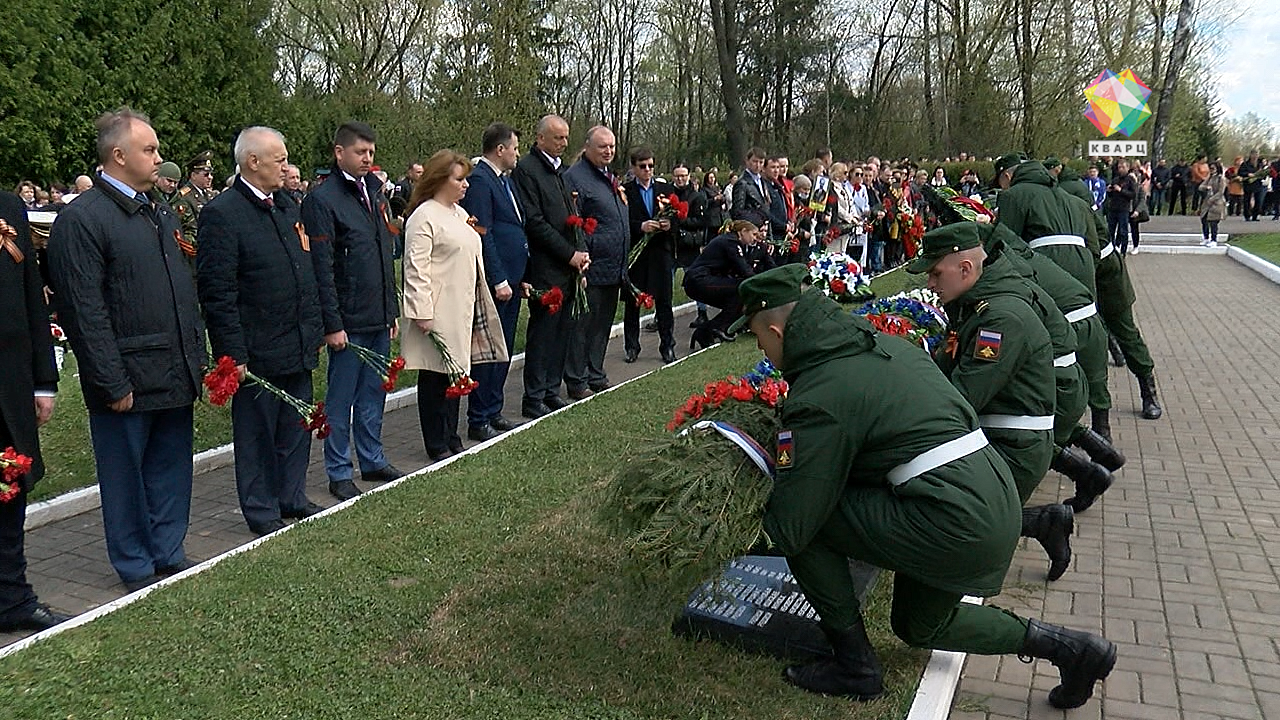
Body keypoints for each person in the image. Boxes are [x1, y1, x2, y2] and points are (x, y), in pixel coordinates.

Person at [735, 263, 1115, 709]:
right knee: (920, 626)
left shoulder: (821, 393)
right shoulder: (884, 347)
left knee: (811, 527)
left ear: (778, 331)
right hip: (990, 497)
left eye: (759, 338)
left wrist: (746, 532)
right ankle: (1073, 650)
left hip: (953, 518)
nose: (761, 348)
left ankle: (854, 665)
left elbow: (794, 522)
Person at [48, 108, 205, 592]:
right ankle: (136, 564)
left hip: (172, 370)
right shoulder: (84, 219)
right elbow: (84, 310)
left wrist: (193, 358)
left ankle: (168, 551)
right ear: (118, 155)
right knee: (126, 478)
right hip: (128, 379)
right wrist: (110, 381)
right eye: (149, 149)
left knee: (169, 469)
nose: (159, 158)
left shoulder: (155, 211)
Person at [909, 224, 1073, 580]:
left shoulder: (999, 318)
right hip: (999, 435)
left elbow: (964, 396)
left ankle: (1041, 524)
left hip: (1013, 444)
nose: (930, 285)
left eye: (936, 274)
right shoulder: (979, 305)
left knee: (959, 528)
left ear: (965, 269)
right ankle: (1043, 522)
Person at [195, 127, 325, 537]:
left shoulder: (287, 206)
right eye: (279, 159)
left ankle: (292, 494)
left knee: (296, 425)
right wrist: (233, 354)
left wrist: (315, 325)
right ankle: (261, 506)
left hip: (297, 338)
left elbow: (305, 269)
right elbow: (218, 292)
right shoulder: (224, 214)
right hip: (257, 347)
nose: (286, 167)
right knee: (257, 433)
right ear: (253, 162)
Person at [302, 121, 403, 500]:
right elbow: (323, 268)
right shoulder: (323, 199)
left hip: (377, 313)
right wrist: (333, 323)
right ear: (339, 152)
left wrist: (390, 310)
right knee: (340, 398)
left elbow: (382, 255)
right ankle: (339, 469)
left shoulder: (375, 192)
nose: (367, 159)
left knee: (374, 392)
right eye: (360, 152)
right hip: (347, 318)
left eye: (371, 153)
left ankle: (372, 457)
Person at [400, 151, 507, 461]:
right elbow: (415, 267)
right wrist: (421, 312)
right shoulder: (424, 215)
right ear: (439, 179)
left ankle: (451, 433)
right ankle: (436, 440)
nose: (465, 186)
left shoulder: (459, 214)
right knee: (435, 374)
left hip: (462, 305)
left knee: (457, 372)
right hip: (437, 309)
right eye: (459, 179)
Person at [0, 190, 70, 633]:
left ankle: (12, 597)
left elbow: (30, 298)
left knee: (11, 488)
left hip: (8, 386)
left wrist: (43, 380)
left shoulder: (7, 208)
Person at [511, 115, 586, 419]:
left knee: (562, 332)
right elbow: (536, 222)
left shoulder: (561, 172)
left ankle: (551, 390)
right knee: (543, 333)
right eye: (557, 138)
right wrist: (569, 254)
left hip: (569, 266)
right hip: (546, 265)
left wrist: (581, 253)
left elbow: (573, 214)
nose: (564, 143)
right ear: (540, 138)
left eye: (566, 138)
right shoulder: (528, 170)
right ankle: (534, 395)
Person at [459, 122, 527, 442]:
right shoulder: (480, 181)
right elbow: (483, 234)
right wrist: (497, 276)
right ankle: (479, 416)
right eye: (514, 147)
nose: (517, 153)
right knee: (489, 350)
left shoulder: (503, 181)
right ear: (500, 149)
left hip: (513, 280)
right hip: (495, 283)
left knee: (504, 347)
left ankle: (494, 409)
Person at [562, 125, 628, 398]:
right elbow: (575, 224)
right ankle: (577, 379)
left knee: (602, 324)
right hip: (592, 264)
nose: (608, 151)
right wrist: (582, 261)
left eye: (611, 146)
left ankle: (595, 371)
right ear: (587, 147)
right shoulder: (576, 178)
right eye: (602, 146)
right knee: (582, 326)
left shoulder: (608, 176)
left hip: (614, 265)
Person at [622, 147, 678, 364]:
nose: (647, 170)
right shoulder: (625, 191)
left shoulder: (665, 188)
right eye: (642, 166)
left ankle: (667, 345)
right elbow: (623, 222)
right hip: (638, 256)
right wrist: (640, 226)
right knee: (633, 302)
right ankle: (632, 346)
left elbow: (678, 218)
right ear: (634, 168)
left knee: (664, 301)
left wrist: (669, 225)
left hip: (660, 253)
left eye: (650, 166)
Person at [683, 220, 774, 349]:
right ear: (743, 232)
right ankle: (717, 327)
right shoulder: (730, 242)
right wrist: (760, 284)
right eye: (753, 234)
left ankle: (706, 331)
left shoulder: (733, 242)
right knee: (741, 289)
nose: (755, 238)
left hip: (703, 280)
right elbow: (743, 269)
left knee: (739, 300)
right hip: (699, 280)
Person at [170, 151, 219, 263]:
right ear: (193, 175)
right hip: (196, 256)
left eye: (211, 174)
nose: (210, 178)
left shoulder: (210, 195)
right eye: (206, 175)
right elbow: (185, 230)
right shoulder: (184, 197)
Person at [730, 147, 770, 231]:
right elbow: (737, 212)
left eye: (761, 162)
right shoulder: (742, 183)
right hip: (750, 230)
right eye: (755, 161)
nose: (758, 165)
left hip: (765, 228)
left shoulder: (763, 181)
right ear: (747, 161)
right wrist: (759, 222)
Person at [1103, 159, 1136, 258]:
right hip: (1113, 208)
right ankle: (1111, 250)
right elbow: (1111, 194)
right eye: (1119, 168)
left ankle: (1123, 251)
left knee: (1123, 231)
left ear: (1127, 168)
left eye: (1123, 167)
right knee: (1110, 231)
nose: (1120, 169)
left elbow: (1133, 194)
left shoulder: (1130, 180)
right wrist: (1109, 190)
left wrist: (1121, 190)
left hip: (1123, 209)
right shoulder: (1115, 179)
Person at [1198, 162, 1227, 248]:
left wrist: (1213, 198)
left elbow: (1221, 192)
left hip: (1217, 203)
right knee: (1204, 219)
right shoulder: (1209, 177)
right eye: (1210, 168)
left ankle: (1214, 239)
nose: (1211, 170)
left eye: (1213, 168)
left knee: (1213, 222)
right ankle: (1206, 237)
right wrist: (1205, 188)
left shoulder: (1221, 178)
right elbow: (1200, 186)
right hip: (1207, 202)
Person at [1125, 167, 1148, 255]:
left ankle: (1136, 246)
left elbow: (1142, 200)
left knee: (1135, 229)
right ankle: (1121, 245)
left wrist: (1137, 211)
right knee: (1122, 229)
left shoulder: (1140, 188)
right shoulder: (1125, 186)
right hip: (1125, 209)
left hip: (1134, 210)